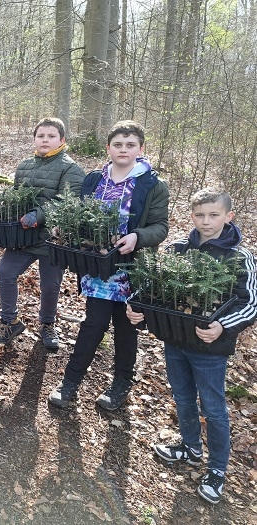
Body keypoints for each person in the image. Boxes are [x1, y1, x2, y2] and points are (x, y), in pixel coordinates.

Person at [127, 188, 257, 505]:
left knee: (213, 409)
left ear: (229, 217)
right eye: (200, 215)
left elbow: (250, 303)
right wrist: (138, 309)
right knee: (182, 397)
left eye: (214, 215)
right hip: (175, 340)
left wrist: (223, 325)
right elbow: (153, 288)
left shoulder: (239, 258)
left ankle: (217, 470)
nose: (206, 221)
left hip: (210, 350)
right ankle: (190, 448)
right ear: (191, 217)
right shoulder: (178, 251)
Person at [48, 120, 170, 411]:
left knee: (126, 328)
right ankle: (70, 383)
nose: (123, 149)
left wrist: (137, 237)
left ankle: (120, 385)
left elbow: (161, 227)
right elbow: (78, 216)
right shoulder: (94, 180)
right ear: (108, 148)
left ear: (141, 149)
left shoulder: (152, 184)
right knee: (94, 324)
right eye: (118, 144)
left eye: (130, 145)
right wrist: (65, 232)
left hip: (132, 268)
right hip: (98, 267)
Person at [0, 118, 85, 350]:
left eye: (51, 136)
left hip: (53, 239)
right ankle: (9, 322)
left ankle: (47, 324)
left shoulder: (71, 169)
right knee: (5, 272)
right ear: (34, 139)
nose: (45, 140)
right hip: (23, 236)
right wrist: (2, 211)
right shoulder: (24, 165)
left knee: (51, 285)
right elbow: (16, 196)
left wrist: (39, 215)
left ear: (62, 140)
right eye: (41, 136)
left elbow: (67, 202)